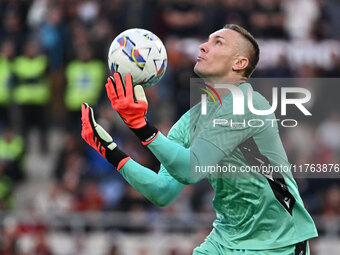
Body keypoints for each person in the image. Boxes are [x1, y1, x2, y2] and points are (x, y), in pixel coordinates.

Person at [81, 24, 318, 254]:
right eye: (207, 40)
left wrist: (141, 127)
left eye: (218, 42)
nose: (203, 46)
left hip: (278, 242)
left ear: (239, 63)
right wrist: (109, 149)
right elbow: (162, 191)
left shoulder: (249, 104)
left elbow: (190, 169)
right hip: (225, 239)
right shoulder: (191, 120)